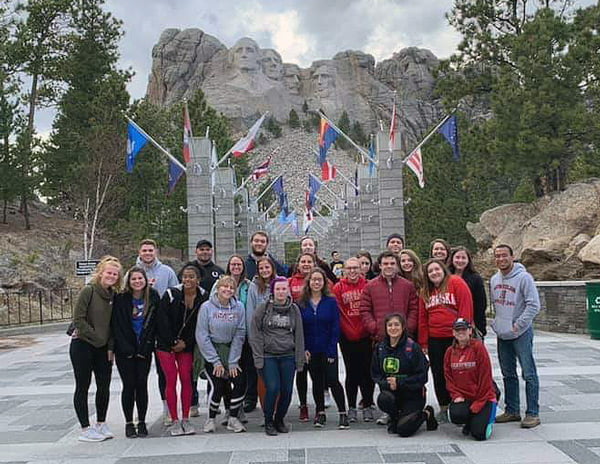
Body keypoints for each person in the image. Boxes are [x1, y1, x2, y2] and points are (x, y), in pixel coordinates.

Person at [70, 256, 123, 442]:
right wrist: (96, 338)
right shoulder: (88, 291)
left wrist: (109, 346)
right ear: (101, 272)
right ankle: (85, 428)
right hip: (83, 345)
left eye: (115, 274)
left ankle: (101, 422)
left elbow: (112, 325)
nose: (111, 276)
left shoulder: (114, 295)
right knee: (82, 386)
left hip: (103, 349)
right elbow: (79, 319)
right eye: (108, 272)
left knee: (104, 386)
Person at [490, 244, 541, 428]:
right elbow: (495, 305)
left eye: (504, 255)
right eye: (497, 256)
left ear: (512, 257)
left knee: (528, 373)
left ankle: (532, 413)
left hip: (521, 333)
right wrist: (497, 324)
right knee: (508, 373)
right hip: (503, 334)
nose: (501, 259)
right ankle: (512, 410)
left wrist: (518, 324)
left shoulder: (524, 278)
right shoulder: (494, 279)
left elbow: (534, 305)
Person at [156, 265, 208, 436]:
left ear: (198, 279)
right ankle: (175, 419)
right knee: (171, 379)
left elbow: (201, 324)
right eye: (185, 277)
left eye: (191, 277)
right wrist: (172, 341)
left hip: (187, 344)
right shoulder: (171, 294)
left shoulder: (203, 297)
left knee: (186, 378)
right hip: (166, 345)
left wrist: (186, 343)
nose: (188, 280)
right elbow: (161, 320)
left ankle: (186, 418)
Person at [418, 259, 473, 421]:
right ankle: (444, 406)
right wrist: (423, 342)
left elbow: (466, 307)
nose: (434, 273)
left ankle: (462, 402)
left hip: (454, 337)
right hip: (435, 339)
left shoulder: (456, 282)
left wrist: (464, 333)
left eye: (437, 269)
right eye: (430, 271)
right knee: (438, 373)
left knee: (459, 370)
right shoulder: (425, 292)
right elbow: (423, 319)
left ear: (443, 269)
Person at [250, 277, 305, 435]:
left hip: (288, 355)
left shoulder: (294, 309)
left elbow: (299, 335)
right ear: (273, 291)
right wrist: (258, 355)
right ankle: (268, 420)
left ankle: (279, 419)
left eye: (284, 289)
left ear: (288, 290)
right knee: (273, 388)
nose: (281, 292)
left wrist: (299, 359)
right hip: (269, 356)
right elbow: (255, 332)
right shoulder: (264, 308)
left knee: (287, 390)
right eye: (278, 289)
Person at [112, 266, 160, 438]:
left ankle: (141, 421)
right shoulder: (121, 298)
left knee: (142, 384)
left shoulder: (152, 296)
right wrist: (126, 348)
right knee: (129, 385)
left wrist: (145, 347)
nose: (137, 281)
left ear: (145, 280)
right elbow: (117, 325)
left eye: (140, 278)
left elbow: (155, 324)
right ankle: (128, 422)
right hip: (125, 350)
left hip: (144, 349)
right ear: (129, 281)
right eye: (134, 279)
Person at [298, 268, 349, 429]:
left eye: (319, 280)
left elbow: (336, 327)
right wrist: (304, 348)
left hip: (328, 348)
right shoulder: (302, 303)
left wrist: (332, 349)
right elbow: (300, 329)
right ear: (308, 282)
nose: (316, 282)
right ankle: (320, 412)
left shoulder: (331, 301)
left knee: (333, 381)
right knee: (317, 382)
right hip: (311, 350)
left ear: (324, 282)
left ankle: (343, 413)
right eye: (313, 279)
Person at [135, 238, 179, 426]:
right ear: (139, 252)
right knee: (139, 374)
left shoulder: (166, 271)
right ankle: (140, 410)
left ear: (156, 252)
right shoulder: (134, 273)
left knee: (165, 372)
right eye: (144, 250)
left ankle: (168, 409)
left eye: (150, 250)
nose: (147, 253)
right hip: (141, 330)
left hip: (161, 328)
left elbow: (175, 295)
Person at [371, 313, 438, 436]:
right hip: (392, 394)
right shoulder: (380, 348)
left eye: (397, 325)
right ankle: (395, 417)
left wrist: (400, 383)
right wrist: (386, 383)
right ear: (386, 328)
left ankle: (426, 413)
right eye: (390, 325)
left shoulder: (412, 347)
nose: (393, 328)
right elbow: (375, 374)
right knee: (383, 399)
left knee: (404, 430)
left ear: (403, 327)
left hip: (413, 395)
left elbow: (422, 377)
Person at [197, 275, 247, 433]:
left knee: (240, 381)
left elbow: (240, 333)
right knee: (218, 385)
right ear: (218, 288)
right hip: (212, 350)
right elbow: (202, 335)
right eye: (224, 287)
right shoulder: (206, 307)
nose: (228, 290)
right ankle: (210, 419)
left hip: (232, 351)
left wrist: (233, 361)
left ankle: (232, 417)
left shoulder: (238, 307)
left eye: (231, 288)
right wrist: (215, 361)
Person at [332, 257, 375, 423]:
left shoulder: (368, 286)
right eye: (349, 268)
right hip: (347, 336)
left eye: (355, 268)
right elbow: (338, 313)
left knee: (367, 373)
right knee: (352, 373)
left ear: (361, 269)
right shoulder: (338, 288)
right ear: (344, 270)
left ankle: (367, 404)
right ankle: (351, 406)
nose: (352, 271)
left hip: (366, 336)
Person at [444, 318, 497, 440]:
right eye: (457, 330)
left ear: (470, 331)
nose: (460, 332)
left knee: (479, 435)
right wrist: (456, 395)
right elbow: (448, 377)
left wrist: (479, 403)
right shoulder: (449, 352)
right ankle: (470, 420)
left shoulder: (478, 348)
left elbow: (486, 377)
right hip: (464, 396)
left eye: (464, 329)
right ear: (453, 332)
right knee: (457, 415)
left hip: (483, 396)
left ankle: (489, 416)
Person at [359, 250, 419, 342]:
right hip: (380, 338)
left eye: (392, 263)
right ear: (380, 266)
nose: (389, 266)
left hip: (404, 337)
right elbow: (364, 310)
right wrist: (374, 328)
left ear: (396, 265)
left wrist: (409, 327)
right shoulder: (370, 287)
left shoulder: (407, 286)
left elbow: (414, 308)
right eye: (385, 263)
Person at [246, 256, 279, 412]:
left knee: (278, 377)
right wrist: (253, 338)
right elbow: (250, 314)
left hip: (279, 337)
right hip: (261, 338)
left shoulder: (279, 282)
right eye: (261, 268)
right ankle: (267, 409)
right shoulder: (253, 286)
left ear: (272, 268)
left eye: (267, 267)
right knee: (263, 376)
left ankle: (278, 409)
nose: (265, 270)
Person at [449, 246, 488, 337]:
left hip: (471, 322)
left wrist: (476, 324)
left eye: (463, 258)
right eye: (457, 257)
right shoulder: (446, 276)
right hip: (450, 322)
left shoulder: (475, 278)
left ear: (468, 260)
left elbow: (481, 304)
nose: (460, 260)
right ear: (452, 259)